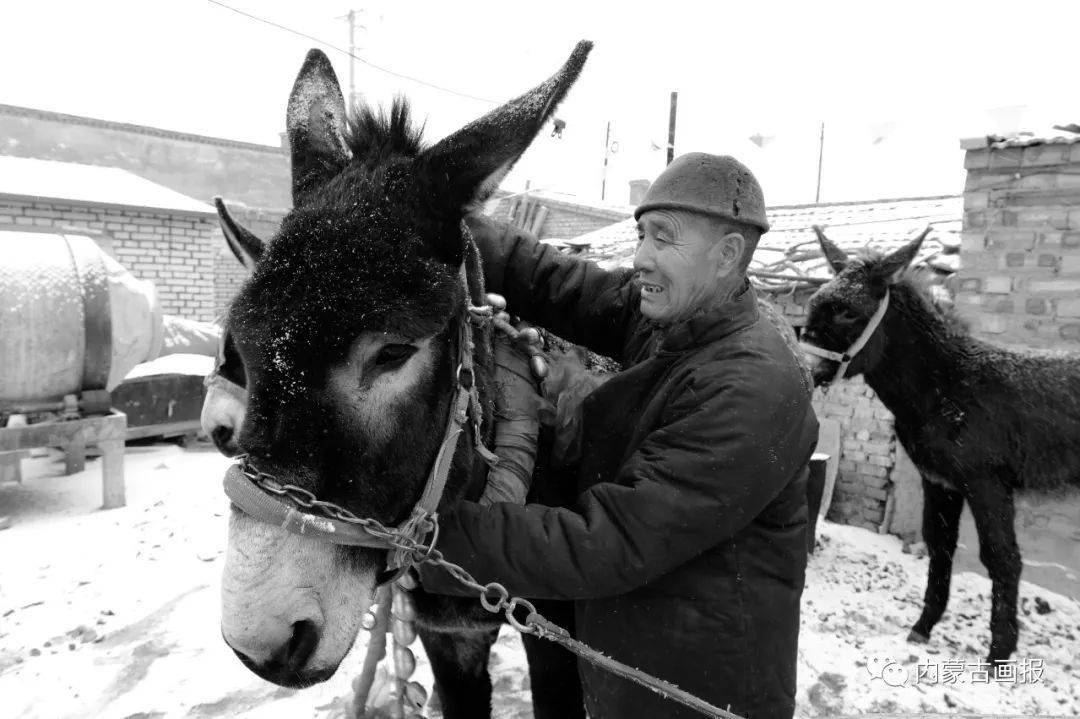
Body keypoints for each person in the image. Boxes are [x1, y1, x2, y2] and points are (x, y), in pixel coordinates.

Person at [420, 153, 819, 719]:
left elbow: (606, 543)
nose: (641, 258)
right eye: (641, 235)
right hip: (636, 666)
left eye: (664, 238)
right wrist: (440, 221)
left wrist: (424, 530)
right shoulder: (682, 320)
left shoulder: (750, 387)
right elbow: (562, 284)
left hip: (696, 694)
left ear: (728, 255)